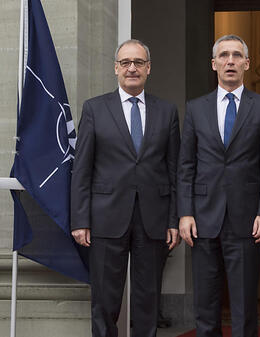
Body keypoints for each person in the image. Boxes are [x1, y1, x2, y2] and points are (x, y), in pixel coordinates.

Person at [70, 39, 180, 337]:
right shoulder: (95, 108)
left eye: (139, 63)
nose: (132, 68)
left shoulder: (167, 111)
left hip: (153, 219)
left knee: (148, 301)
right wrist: (80, 219)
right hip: (105, 218)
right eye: (126, 63)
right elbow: (82, 168)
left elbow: (174, 170)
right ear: (116, 69)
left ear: (148, 68)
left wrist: (173, 219)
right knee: (105, 301)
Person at [177, 34, 260, 337]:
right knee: (205, 305)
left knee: (244, 305)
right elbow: (186, 165)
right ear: (214, 64)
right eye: (224, 56)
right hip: (203, 219)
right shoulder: (196, 108)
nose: (230, 61)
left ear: (247, 63)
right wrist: (185, 213)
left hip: (247, 219)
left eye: (236, 55)